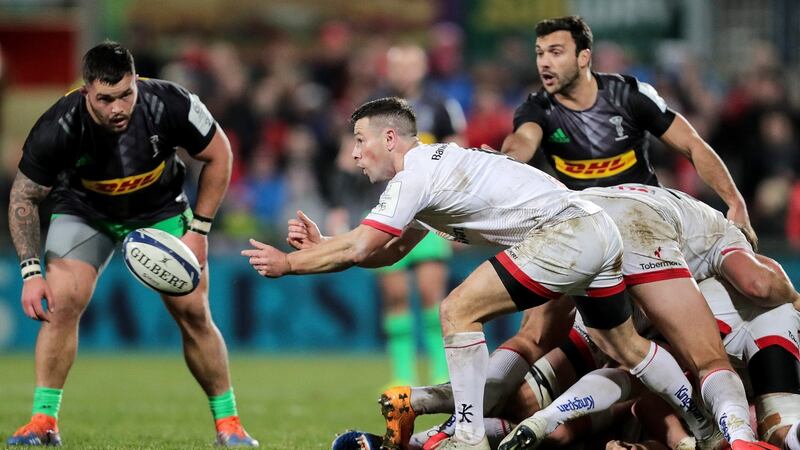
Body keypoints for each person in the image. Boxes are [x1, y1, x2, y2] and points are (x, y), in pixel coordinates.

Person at [243, 97, 713, 450]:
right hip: (598, 231)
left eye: (360, 141)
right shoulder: (435, 171)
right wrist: (324, 245)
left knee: (457, 309)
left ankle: (468, 437)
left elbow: (364, 244)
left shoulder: (416, 175)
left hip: (566, 234)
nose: (354, 155)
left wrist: (289, 264)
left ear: (390, 138)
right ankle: (706, 429)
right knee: (624, 346)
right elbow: (386, 252)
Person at [6, 42, 257, 447]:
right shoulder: (58, 125)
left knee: (194, 312)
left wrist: (200, 229)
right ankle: (44, 421)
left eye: (126, 94)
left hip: (159, 209)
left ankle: (229, 424)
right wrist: (31, 273)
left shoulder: (171, 102)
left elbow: (220, 154)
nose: (118, 107)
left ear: (136, 81)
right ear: (86, 91)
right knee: (63, 301)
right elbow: (23, 197)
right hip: (84, 210)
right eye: (105, 99)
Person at [500, 16, 755, 246]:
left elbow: (692, 144)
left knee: (759, 283)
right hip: (586, 230)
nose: (544, 63)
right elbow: (522, 139)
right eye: (540, 53)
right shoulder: (537, 108)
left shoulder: (630, 95)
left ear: (583, 57)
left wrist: (735, 201)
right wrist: (504, 160)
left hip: (647, 219)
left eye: (555, 53)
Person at [371, 43, 465, 386]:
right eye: (398, 65)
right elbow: (354, 155)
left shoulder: (441, 106)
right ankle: (402, 378)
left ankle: (441, 373)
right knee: (395, 296)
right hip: (387, 210)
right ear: (389, 69)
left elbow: (458, 156)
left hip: (429, 214)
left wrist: (455, 216)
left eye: (411, 65)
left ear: (422, 68)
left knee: (431, 295)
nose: (405, 72)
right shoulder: (373, 108)